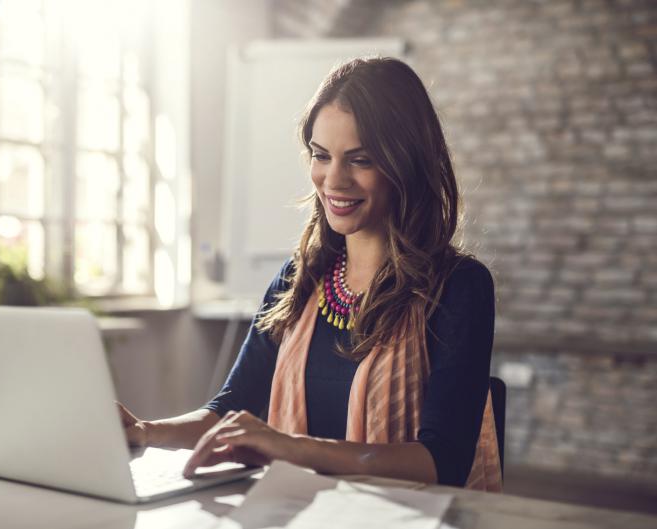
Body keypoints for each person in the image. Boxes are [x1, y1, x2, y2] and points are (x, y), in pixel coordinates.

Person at [118, 57, 503, 491]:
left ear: (405, 164)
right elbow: (231, 409)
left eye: (360, 160)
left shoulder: (460, 286)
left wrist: (290, 447)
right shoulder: (299, 278)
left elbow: (443, 463)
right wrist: (145, 432)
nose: (333, 180)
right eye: (321, 156)